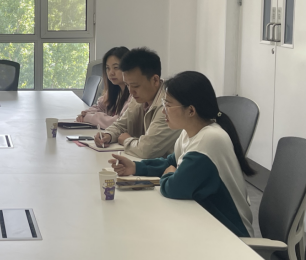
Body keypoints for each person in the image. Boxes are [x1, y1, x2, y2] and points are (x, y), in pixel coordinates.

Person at [108, 71, 255, 237]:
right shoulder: (188, 133)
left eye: (168, 105)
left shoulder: (209, 139)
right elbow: (170, 162)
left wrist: (169, 175)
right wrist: (136, 167)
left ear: (191, 110)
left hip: (232, 234)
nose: (163, 112)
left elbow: (174, 188)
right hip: (207, 223)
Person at [94, 47, 180, 158]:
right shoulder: (140, 97)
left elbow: (147, 150)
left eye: (135, 86)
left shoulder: (168, 105)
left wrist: (126, 140)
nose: (131, 91)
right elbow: (122, 124)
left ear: (155, 80)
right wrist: (108, 135)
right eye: (127, 85)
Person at [76, 47, 131, 128]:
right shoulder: (115, 90)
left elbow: (119, 123)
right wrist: (85, 113)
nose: (111, 73)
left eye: (116, 67)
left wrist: (89, 117)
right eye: (108, 68)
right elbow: (100, 107)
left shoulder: (134, 94)